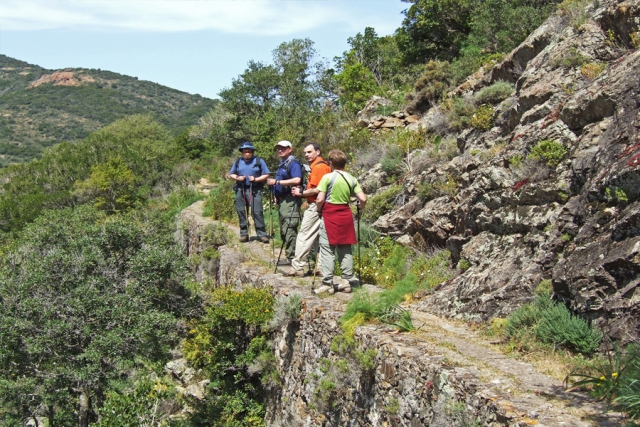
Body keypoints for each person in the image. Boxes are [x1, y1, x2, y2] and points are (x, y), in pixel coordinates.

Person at [314, 149, 366, 295]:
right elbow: (363, 199)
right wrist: (360, 208)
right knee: (345, 249)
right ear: (344, 163)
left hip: (330, 214)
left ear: (330, 163)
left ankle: (327, 284)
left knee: (327, 250)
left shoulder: (327, 178)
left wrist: (319, 211)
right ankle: (347, 281)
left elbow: (320, 199)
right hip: (345, 215)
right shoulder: (352, 179)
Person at [283, 143, 332, 277]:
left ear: (318, 151)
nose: (306, 155)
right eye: (305, 152)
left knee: (304, 235)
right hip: (323, 205)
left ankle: (297, 267)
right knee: (319, 238)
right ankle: (321, 267)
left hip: (316, 205)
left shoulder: (319, 167)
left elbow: (317, 189)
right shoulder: (325, 166)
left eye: (309, 152)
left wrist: (301, 192)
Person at [267, 141, 303, 265]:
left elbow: (297, 179)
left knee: (289, 228)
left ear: (290, 149)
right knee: (284, 229)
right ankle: (290, 256)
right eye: (278, 148)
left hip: (290, 200)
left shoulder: (293, 163)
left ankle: (292, 258)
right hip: (283, 200)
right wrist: (277, 195)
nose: (280, 150)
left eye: (283, 148)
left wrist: (277, 183)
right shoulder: (283, 164)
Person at [228, 142, 270, 243]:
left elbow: (266, 174)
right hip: (240, 188)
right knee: (241, 211)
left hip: (255, 189)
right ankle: (244, 234)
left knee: (257, 211)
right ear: (242, 152)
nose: (247, 152)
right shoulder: (238, 161)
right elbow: (231, 174)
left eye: (249, 150)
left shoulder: (259, 161)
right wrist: (238, 177)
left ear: (252, 151)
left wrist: (255, 179)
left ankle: (261, 234)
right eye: (245, 150)